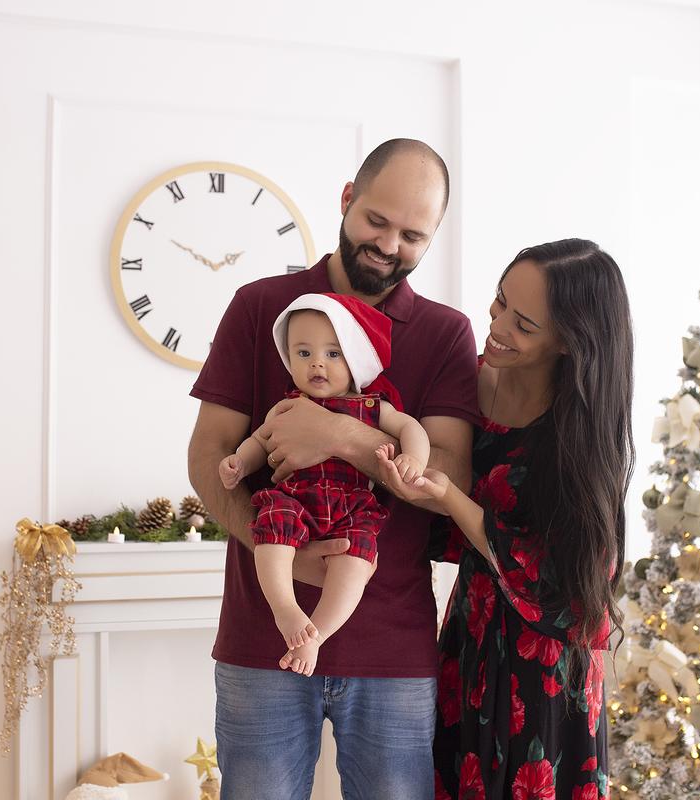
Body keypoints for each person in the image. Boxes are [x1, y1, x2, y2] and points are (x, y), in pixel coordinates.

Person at [188, 138, 481, 799]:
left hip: (394, 647)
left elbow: (452, 474)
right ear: (347, 200)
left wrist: (343, 435)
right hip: (263, 636)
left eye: (412, 234)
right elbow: (209, 457)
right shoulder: (261, 306)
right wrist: (284, 557)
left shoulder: (443, 334)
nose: (388, 245)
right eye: (377, 221)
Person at [377, 238, 635, 799]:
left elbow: (566, 585)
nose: (496, 324)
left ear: (569, 342)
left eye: (523, 324)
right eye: (499, 302)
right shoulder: (463, 384)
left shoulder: (582, 431)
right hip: (467, 642)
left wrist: (450, 496)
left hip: (543, 672)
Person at [219, 292, 431, 677]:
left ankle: (317, 634)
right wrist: (239, 462)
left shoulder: (370, 406)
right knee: (271, 530)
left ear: (356, 359)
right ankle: (285, 608)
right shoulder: (287, 406)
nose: (317, 362)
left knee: (357, 557)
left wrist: (413, 458)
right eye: (303, 353)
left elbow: (410, 427)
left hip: (352, 506)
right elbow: (260, 439)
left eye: (333, 354)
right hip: (295, 498)